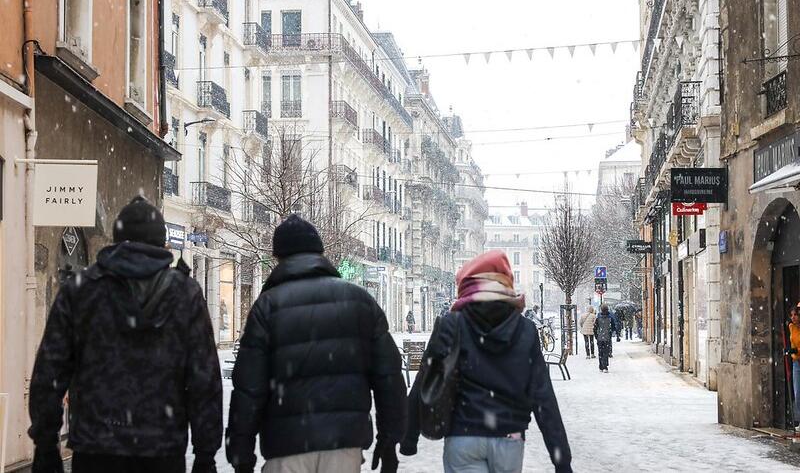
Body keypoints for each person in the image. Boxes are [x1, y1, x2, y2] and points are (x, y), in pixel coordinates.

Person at [28, 196, 222, 473]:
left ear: (117, 239)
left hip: (97, 448)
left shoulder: (82, 290)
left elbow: (50, 371)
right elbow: (204, 379)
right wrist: (206, 454)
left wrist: (45, 445)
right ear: (161, 242)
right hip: (162, 449)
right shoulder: (185, 293)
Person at [226, 215, 407, 473]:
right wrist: (390, 439)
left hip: (286, 446)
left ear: (278, 257)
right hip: (343, 445)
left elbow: (248, 388)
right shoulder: (359, 301)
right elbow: (388, 378)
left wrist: (240, 452)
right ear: (320, 252)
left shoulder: (267, 306)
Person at [401, 250, 572, 473]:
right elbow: (543, 395)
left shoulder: (452, 324)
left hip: (463, 434)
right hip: (509, 436)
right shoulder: (526, 330)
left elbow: (425, 380)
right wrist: (561, 458)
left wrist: (409, 436)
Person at [786, 307, 800, 431]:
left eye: (795, 315)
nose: (793, 317)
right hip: (796, 362)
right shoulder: (791, 327)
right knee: (797, 392)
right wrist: (791, 351)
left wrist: (797, 350)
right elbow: (793, 343)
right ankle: (799, 420)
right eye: (791, 315)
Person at [594, 304, 615, 373]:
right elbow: (613, 327)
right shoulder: (610, 318)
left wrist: (596, 336)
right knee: (606, 352)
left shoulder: (598, 318)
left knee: (600, 352)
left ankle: (601, 366)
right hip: (607, 338)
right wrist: (610, 333)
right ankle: (605, 366)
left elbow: (595, 328)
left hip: (600, 337)